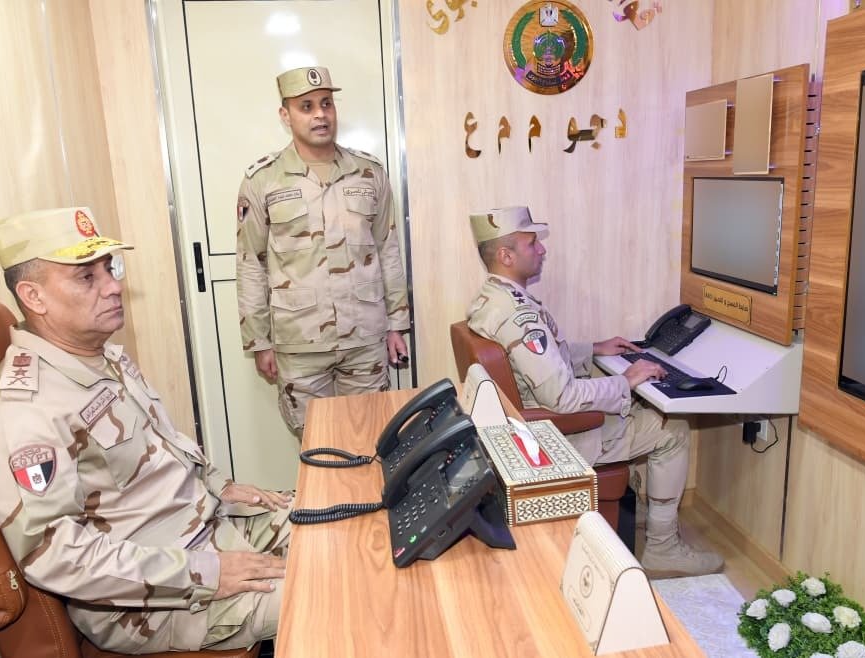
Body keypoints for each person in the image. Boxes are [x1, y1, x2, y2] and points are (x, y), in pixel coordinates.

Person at [0, 207, 291, 653]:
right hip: (151, 601)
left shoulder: (100, 355)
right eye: (87, 277)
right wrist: (206, 572)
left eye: (110, 269)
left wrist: (218, 484)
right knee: (339, 590)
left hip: (205, 526)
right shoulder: (23, 412)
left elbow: (162, 445)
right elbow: (57, 556)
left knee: (345, 526)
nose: (113, 286)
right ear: (34, 296)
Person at [465, 206, 723, 577]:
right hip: (553, 437)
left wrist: (593, 348)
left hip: (528, 429)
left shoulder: (493, 299)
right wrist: (626, 380)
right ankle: (663, 548)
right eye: (532, 243)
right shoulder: (518, 315)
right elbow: (562, 397)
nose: (542, 249)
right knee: (673, 429)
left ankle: (652, 515)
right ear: (506, 255)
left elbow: (533, 361)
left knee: (642, 408)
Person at [236, 66, 410, 435]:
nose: (320, 114)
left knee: (373, 437)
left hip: (365, 337)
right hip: (300, 342)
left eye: (326, 103)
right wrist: (259, 341)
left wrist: (397, 323)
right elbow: (251, 262)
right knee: (317, 444)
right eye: (307, 106)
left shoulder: (368, 172)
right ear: (285, 116)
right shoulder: (263, 180)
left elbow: (388, 249)